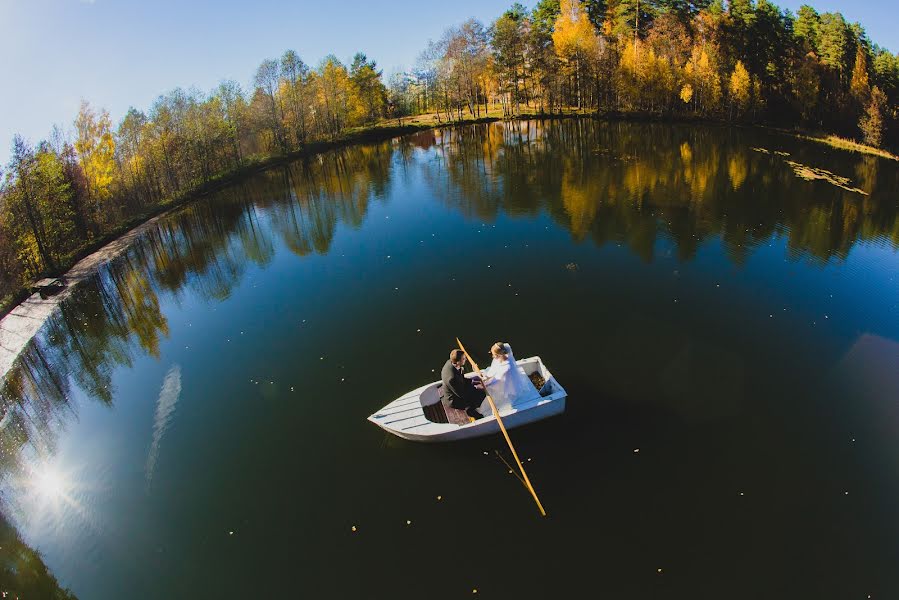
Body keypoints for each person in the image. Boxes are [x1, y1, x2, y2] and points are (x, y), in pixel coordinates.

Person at [478, 342, 538, 416]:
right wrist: (487, 377)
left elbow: (497, 379)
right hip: (501, 376)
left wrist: (485, 384)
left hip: (504, 380)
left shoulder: (506, 367)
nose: (493, 356)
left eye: (494, 355)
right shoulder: (500, 356)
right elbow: (494, 369)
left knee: (495, 394)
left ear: (499, 355)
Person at [440, 349, 486, 419]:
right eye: (464, 359)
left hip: (457, 388)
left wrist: (473, 382)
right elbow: (461, 394)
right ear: (458, 362)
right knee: (481, 395)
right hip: (454, 399)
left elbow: (461, 380)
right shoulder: (452, 378)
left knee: (477, 386)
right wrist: (476, 387)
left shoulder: (450, 362)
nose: (466, 360)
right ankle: (471, 411)